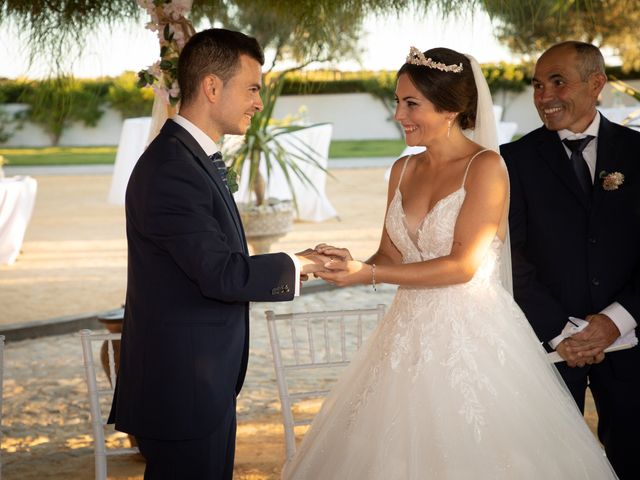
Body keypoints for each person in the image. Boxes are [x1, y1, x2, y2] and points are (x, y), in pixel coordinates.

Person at [281, 47, 618, 479]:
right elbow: (390, 254)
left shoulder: (486, 167)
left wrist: (369, 274)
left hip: (472, 339)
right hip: (404, 338)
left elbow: (463, 266)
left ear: (451, 109)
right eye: (398, 101)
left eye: (410, 103)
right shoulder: (401, 169)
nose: (399, 114)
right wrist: (346, 264)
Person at [107, 28, 326, 479]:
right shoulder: (173, 169)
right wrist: (300, 263)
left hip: (199, 386)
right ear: (212, 87)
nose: (258, 103)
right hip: (182, 388)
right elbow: (220, 274)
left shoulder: (190, 158)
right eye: (251, 89)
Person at [500, 41, 640, 479]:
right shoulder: (512, 161)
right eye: (538, 86)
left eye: (557, 82)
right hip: (550, 345)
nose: (544, 97)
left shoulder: (639, 152)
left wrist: (615, 320)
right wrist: (563, 333)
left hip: (634, 343)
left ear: (596, 83)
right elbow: (512, 258)